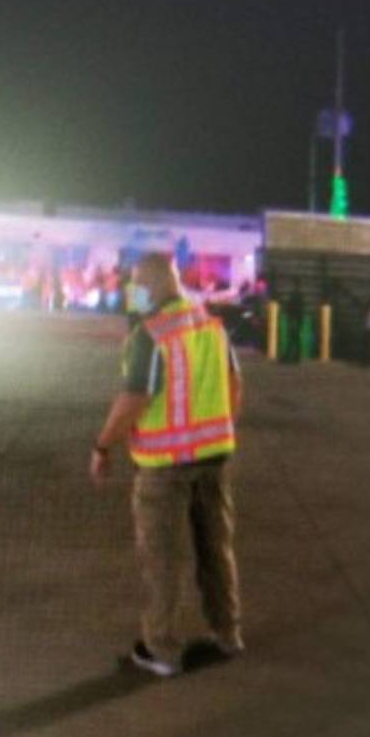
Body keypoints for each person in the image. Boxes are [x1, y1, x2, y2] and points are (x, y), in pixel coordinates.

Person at [90, 252, 244, 678]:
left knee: (162, 557)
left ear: (153, 284)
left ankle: (161, 649)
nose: (132, 292)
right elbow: (235, 385)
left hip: (165, 466)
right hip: (214, 457)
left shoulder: (150, 334)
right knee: (216, 548)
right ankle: (227, 634)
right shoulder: (212, 327)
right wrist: (220, 429)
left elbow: (134, 399)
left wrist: (102, 446)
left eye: (136, 284)